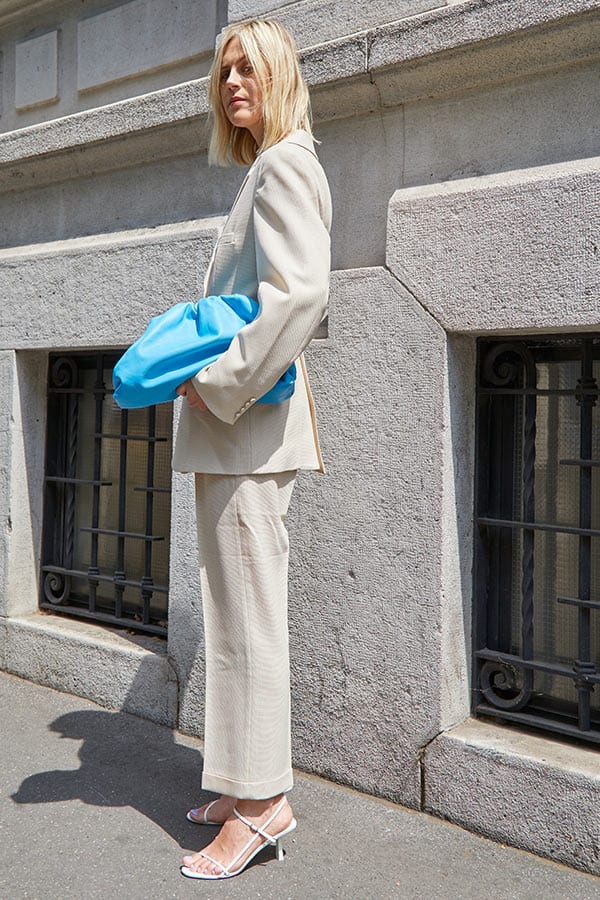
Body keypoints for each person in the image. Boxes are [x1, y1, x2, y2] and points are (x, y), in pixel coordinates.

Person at [172, 18, 332, 881]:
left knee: (248, 626)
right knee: (235, 619)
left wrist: (217, 380)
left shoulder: (286, 163)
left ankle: (265, 806)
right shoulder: (270, 167)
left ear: (280, 77)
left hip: (249, 434)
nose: (234, 82)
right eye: (224, 69)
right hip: (246, 435)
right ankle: (242, 784)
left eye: (250, 68)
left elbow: (301, 293)